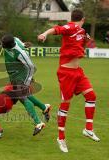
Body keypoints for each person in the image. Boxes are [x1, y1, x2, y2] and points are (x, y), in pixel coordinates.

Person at [38, 9, 100, 153]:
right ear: (83, 19)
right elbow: (56, 29)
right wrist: (44, 34)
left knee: (91, 96)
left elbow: (86, 42)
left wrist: (84, 45)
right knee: (65, 104)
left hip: (78, 72)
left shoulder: (82, 31)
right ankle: (61, 138)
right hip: (66, 73)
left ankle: (88, 129)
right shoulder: (71, 27)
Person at [1, 35, 52, 135]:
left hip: (22, 77)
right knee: (26, 95)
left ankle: (38, 123)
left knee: (22, 98)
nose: (1, 45)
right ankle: (44, 108)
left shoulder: (21, 53)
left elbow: (32, 67)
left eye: (3, 44)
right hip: (14, 76)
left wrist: (28, 80)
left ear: (9, 46)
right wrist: (23, 44)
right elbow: (16, 38)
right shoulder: (13, 40)